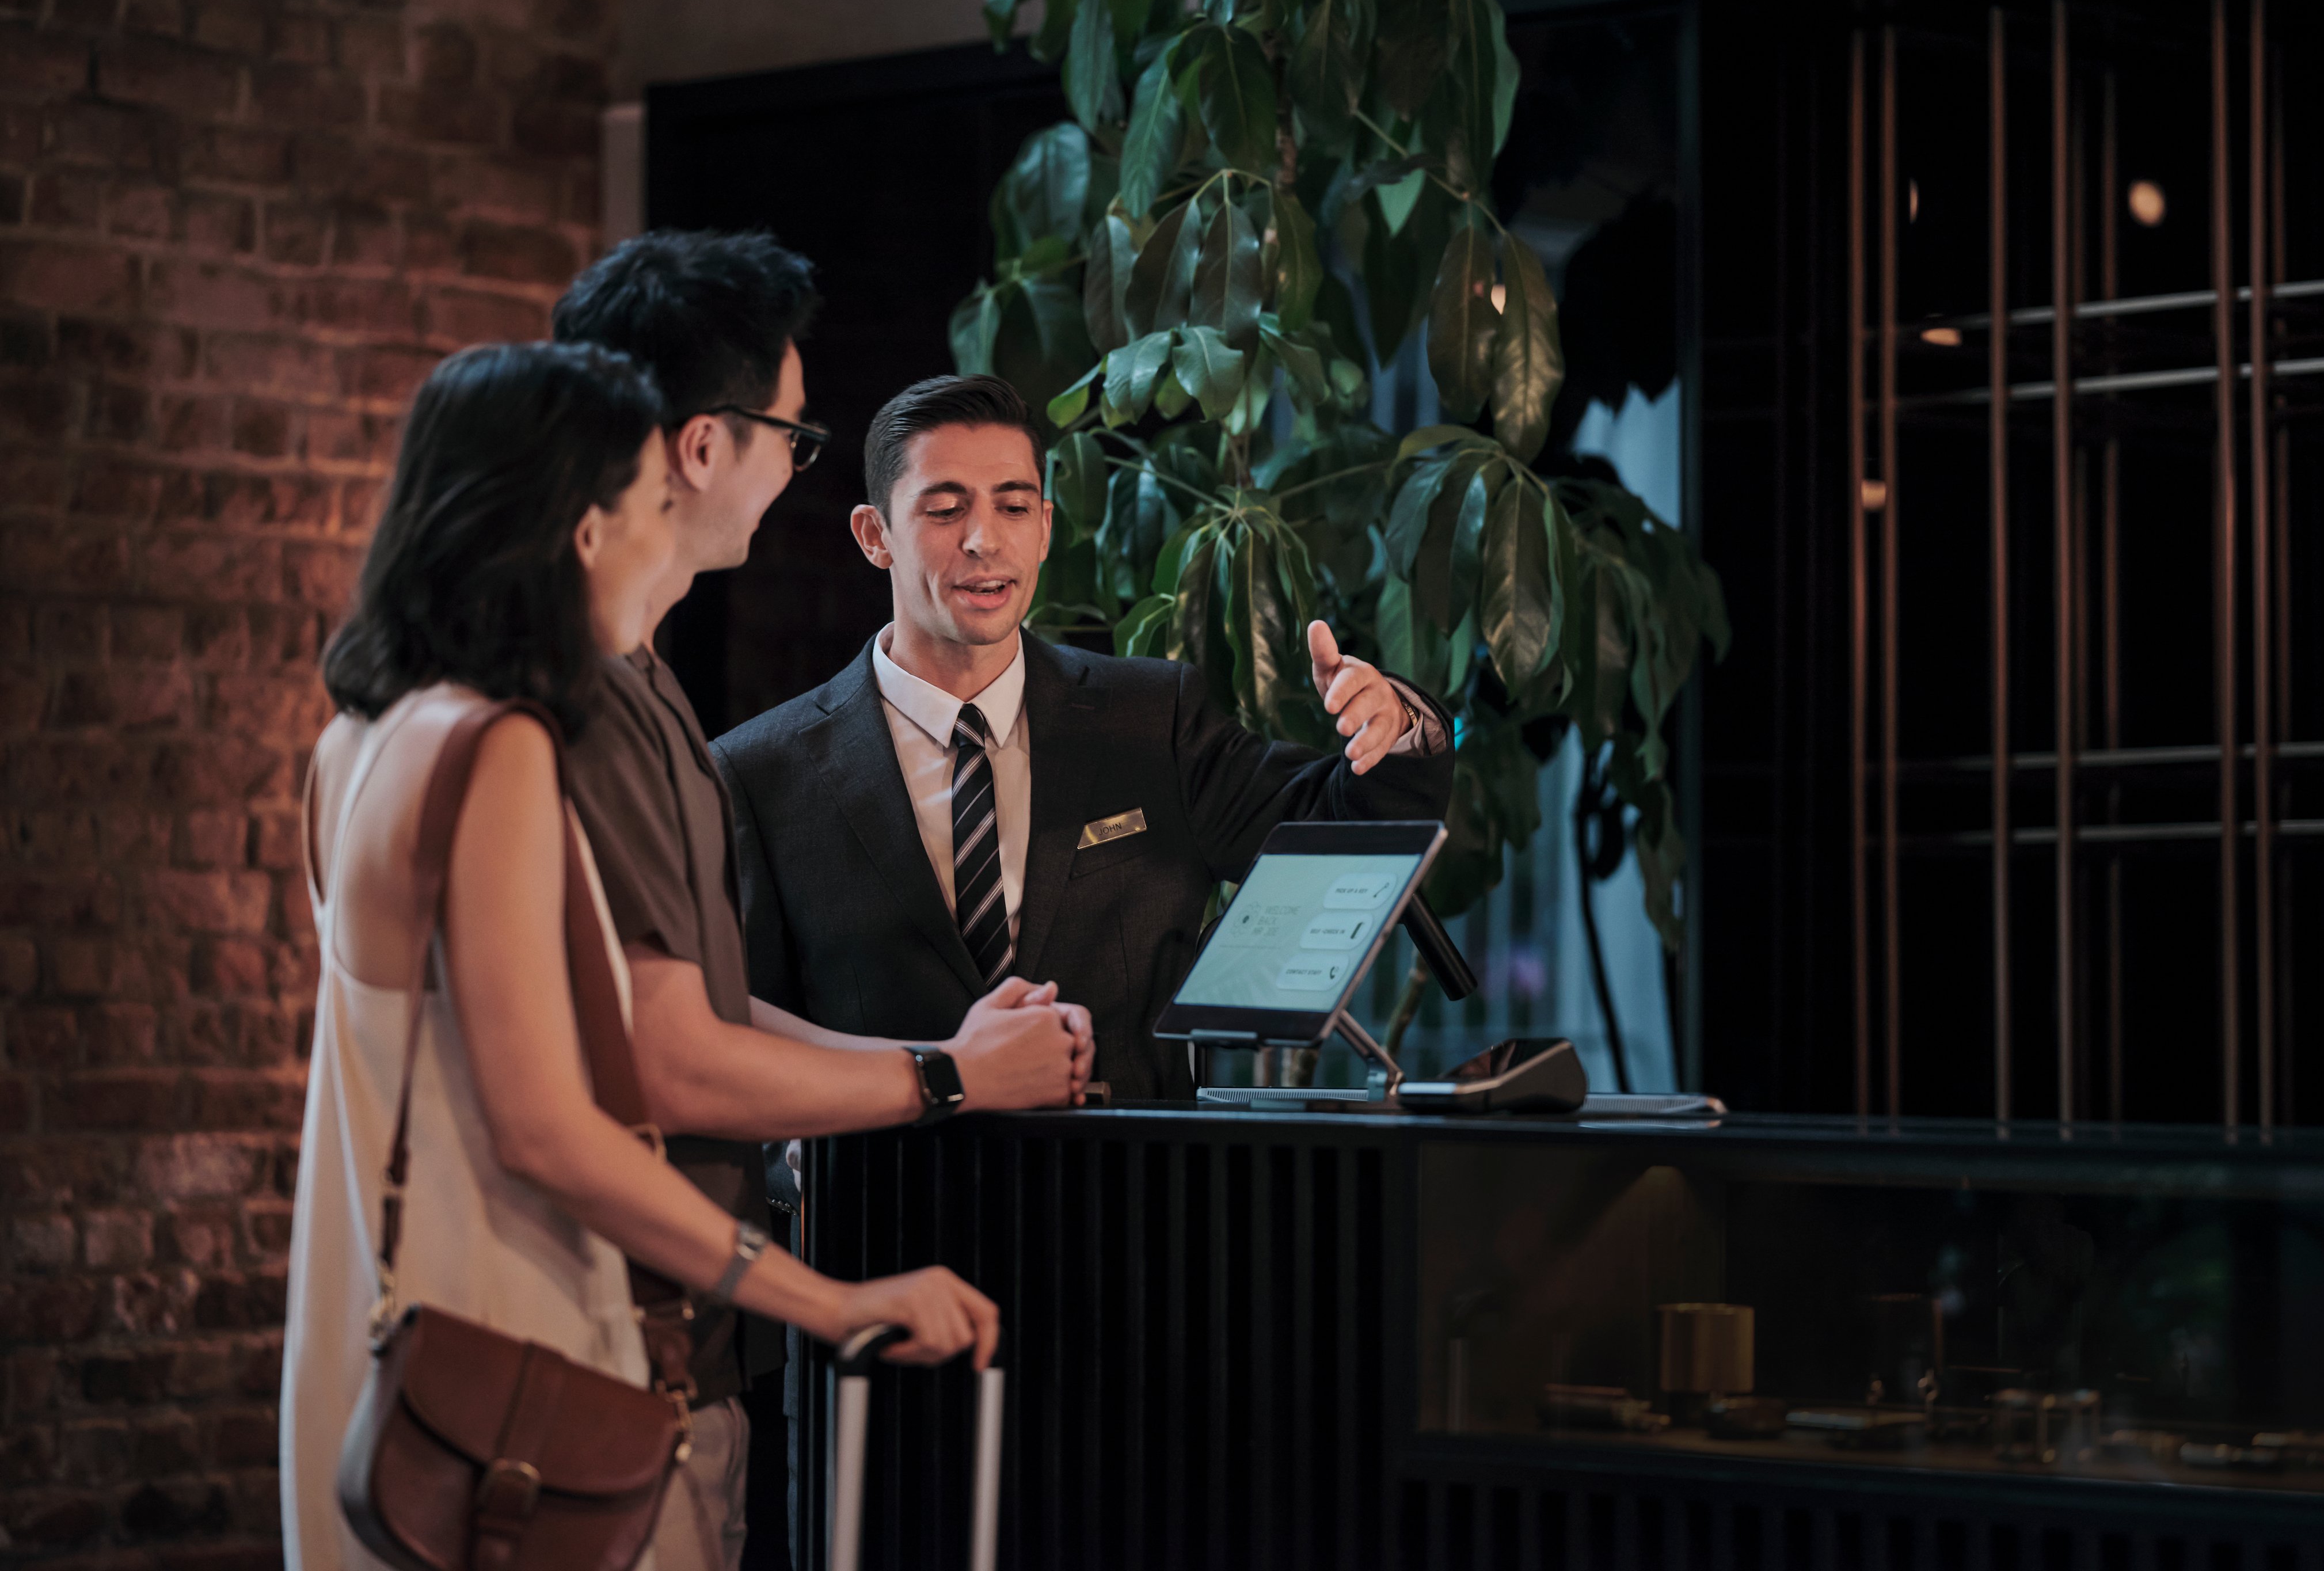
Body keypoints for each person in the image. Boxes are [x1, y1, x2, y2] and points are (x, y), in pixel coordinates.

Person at [279, 342, 997, 1570]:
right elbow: (551, 1130)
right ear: (578, 526)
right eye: (650, 504)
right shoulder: (495, 748)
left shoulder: (359, 738)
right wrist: (830, 1302)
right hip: (520, 1371)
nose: (670, 540)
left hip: (380, 1346)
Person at [549, 233, 1089, 1570]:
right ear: (701, 448)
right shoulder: (585, 706)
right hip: (605, 1354)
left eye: (1016, 503)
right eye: (790, 436)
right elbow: (666, 1062)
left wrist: (951, 1064)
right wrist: (945, 1090)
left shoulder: (646, 685)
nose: (794, 465)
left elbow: (708, 1011)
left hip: (683, 1356)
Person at [712, 374, 1456, 1101]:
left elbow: (1347, 837)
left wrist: (1394, 730)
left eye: (1012, 507)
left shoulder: (1150, 718)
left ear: (1044, 529)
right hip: (887, 1209)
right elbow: (743, 1046)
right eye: (945, 510)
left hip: (1129, 1203)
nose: (983, 540)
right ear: (875, 536)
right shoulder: (759, 776)